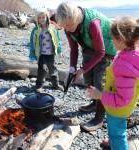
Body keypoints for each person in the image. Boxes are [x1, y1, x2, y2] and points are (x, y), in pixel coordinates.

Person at [56, 2, 117, 131]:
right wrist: (72, 69)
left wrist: (82, 69)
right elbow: (73, 50)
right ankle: (95, 103)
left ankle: (99, 118)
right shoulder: (68, 27)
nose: (67, 29)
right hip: (89, 47)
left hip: (107, 50)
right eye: (64, 26)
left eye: (69, 25)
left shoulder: (92, 23)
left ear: (76, 18)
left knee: (100, 82)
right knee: (88, 77)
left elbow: (101, 51)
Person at [88, 16, 139, 150]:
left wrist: (99, 95)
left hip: (118, 109)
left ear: (121, 40)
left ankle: (117, 144)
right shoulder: (131, 54)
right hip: (120, 106)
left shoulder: (125, 66)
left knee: (117, 133)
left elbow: (122, 100)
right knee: (115, 127)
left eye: (112, 39)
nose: (111, 42)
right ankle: (112, 141)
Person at [29, 8, 63, 91]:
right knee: (42, 70)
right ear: (37, 19)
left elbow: (57, 40)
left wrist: (59, 50)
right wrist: (32, 55)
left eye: (43, 17)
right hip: (40, 54)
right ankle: (39, 85)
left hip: (50, 53)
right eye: (39, 18)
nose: (41, 19)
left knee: (53, 69)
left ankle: (55, 84)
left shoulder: (52, 28)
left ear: (47, 17)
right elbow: (32, 43)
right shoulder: (36, 30)